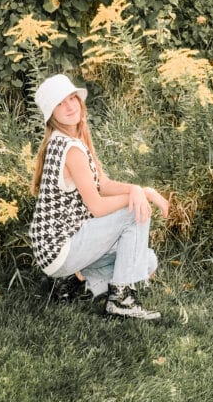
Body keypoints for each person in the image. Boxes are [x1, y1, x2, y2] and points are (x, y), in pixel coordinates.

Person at [29, 73, 169, 320]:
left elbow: (102, 184)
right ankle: (120, 301)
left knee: (146, 261)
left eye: (72, 98)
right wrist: (140, 195)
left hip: (59, 249)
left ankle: (75, 280)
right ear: (52, 114)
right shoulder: (70, 149)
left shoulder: (70, 139)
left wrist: (139, 189)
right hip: (60, 248)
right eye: (60, 103)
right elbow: (97, 206)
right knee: (134, 211)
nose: (70, 106)